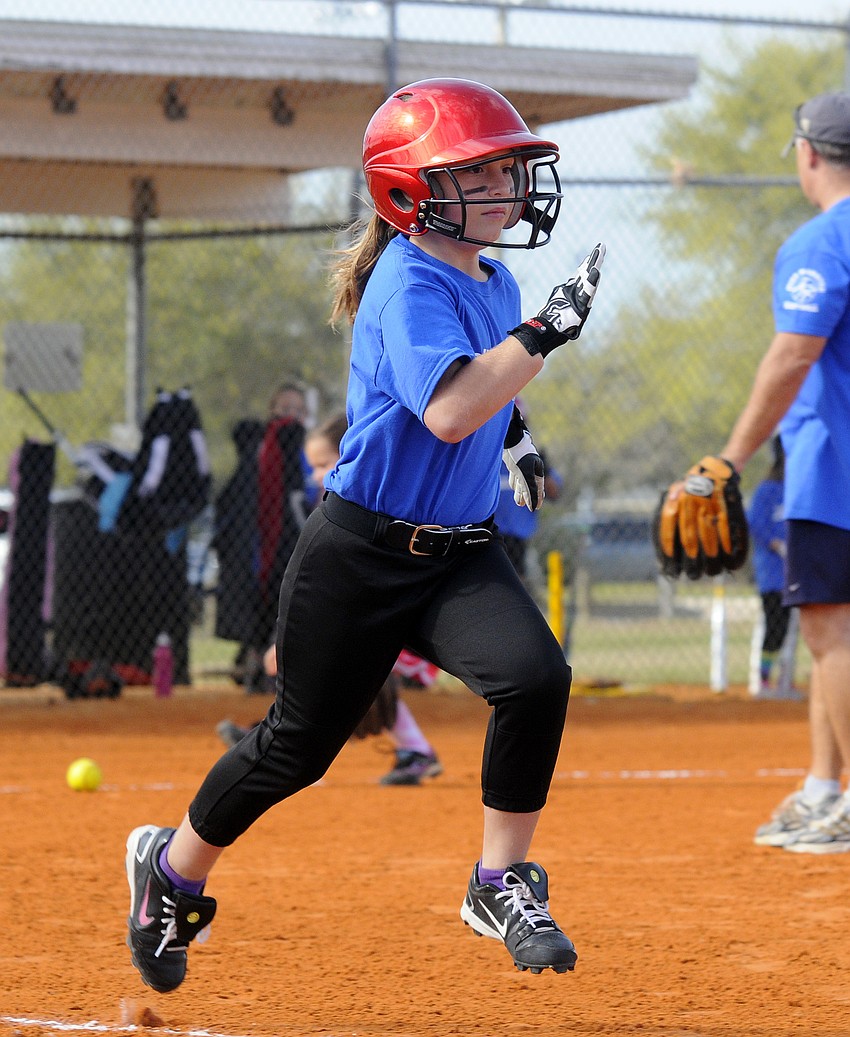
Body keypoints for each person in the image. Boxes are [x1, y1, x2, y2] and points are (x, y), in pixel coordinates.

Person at [125, 77, 605, 993]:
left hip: (457, 549)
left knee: (537, 678)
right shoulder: (406, 281)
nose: (507, 186)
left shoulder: (490, 275)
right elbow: (453, 406)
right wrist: (548, 332)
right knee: (297, 746)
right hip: (361, 552)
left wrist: (522, 437)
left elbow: (485, 398)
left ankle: (499, 881)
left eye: (508, 168)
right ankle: (171, 872)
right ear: (408, 192)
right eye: (481, 172)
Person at [668, 93, 850, 854]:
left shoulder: (821, 240)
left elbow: (792, 355)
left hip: (834, 465)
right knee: (823, 626)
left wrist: (728, 460)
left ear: (808, 154)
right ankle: (823, 787)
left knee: (830, 626)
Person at [217, 413, 443, 787]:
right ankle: (276, 738)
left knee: (348, 673)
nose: (315, 475)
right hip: (375, 613)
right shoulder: (339, 504)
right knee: (337, 673)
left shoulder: (369, 503)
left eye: (324, 464)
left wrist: (293, 641)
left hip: (404, 617)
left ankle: (280, 742)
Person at [211, 418, 265, 688]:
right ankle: (251, 663)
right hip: (250, 562)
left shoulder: (248, 476)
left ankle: (252, 663)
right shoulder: (249, 475)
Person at [747, 436, 794, 698]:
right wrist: (777, 544)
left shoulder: (801, 487)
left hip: (800, 571)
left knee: (791, 630)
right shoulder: (768, 489)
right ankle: (763, 680)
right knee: (775, 626)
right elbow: (755, 523)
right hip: (774, 573)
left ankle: (785, 680)